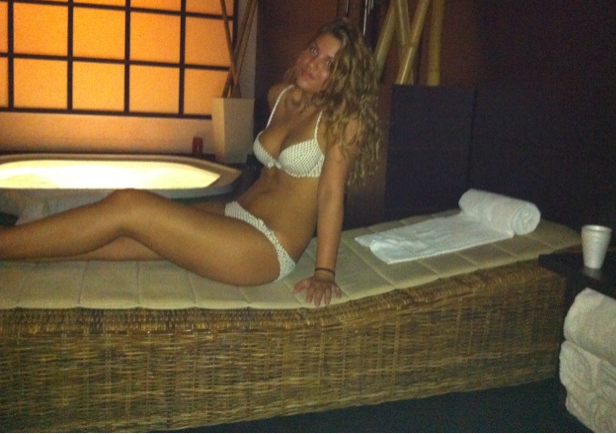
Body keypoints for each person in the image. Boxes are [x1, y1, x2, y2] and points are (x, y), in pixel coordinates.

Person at [0, 18, 382, 306]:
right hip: (236, 213)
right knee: (124, 236)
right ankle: (16, 246)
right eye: (314, 50)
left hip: (267, 247)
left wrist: (324, 272)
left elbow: (331, 195)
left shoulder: (342, 120)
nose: (314, 63)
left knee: (130, 205)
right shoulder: (280, 95)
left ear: (344, 77)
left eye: (330, 63)